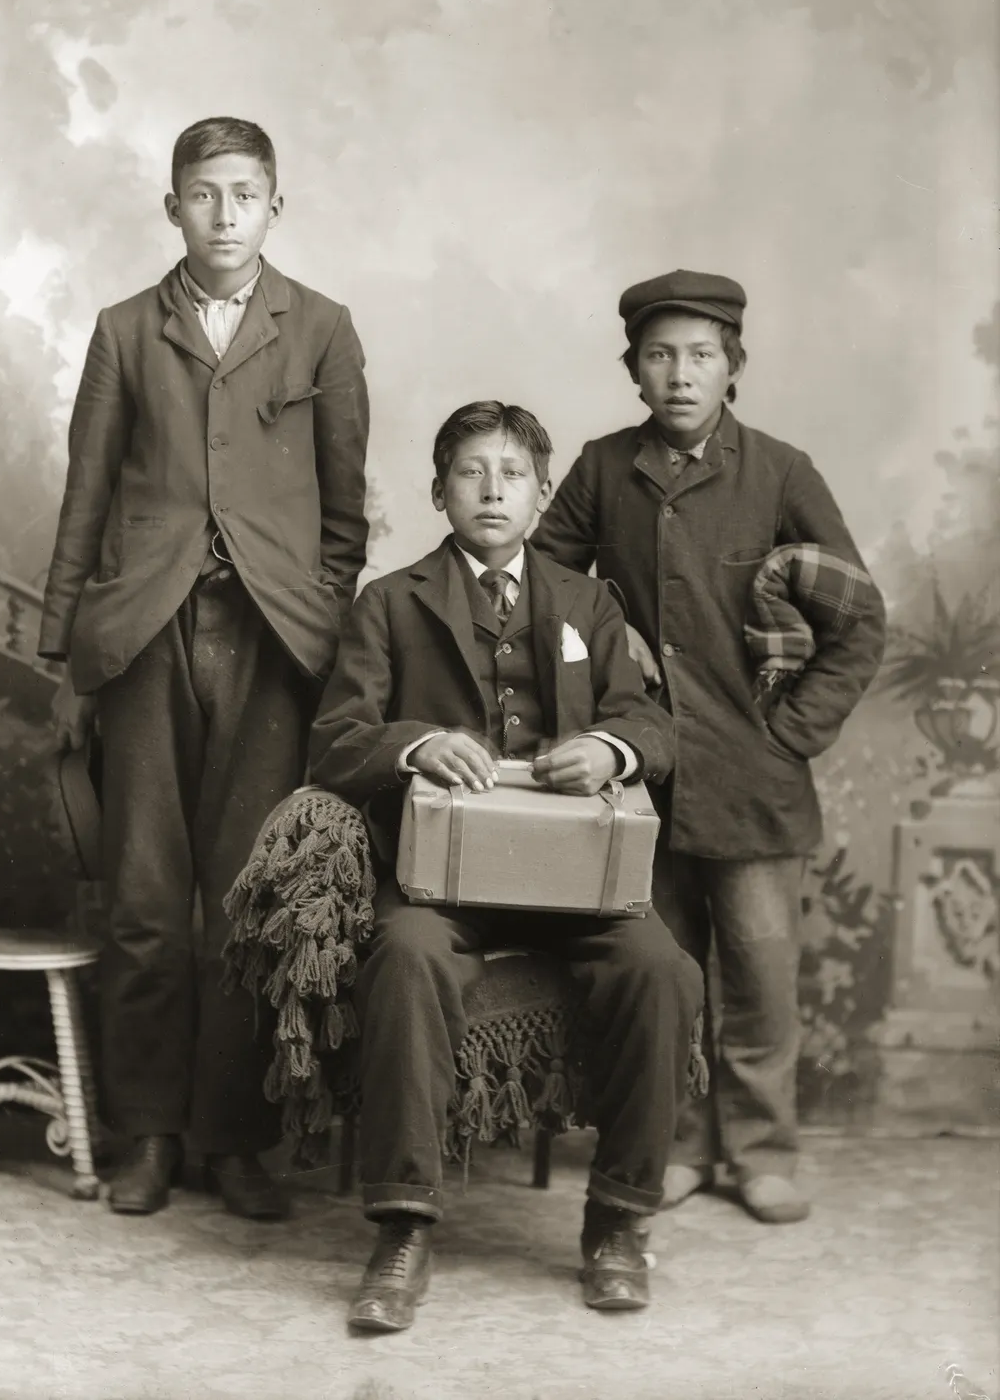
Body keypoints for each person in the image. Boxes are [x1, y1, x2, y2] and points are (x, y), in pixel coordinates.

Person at [309, 400, 703, 1334]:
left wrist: (611, 747)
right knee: (403, 956)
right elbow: (335, 739)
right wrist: (415, 745)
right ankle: (403, 1225)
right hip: (444, 879)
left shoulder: (589, 600)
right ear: (437, 492)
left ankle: (618, 1217)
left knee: (661, 968)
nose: (492, 489)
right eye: (471, 472)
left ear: (541, 494)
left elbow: (653, 723)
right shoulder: (391, 602)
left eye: (512, 473)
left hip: (573, 881)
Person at [38, 117, 369, 1218]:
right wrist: (63, 654)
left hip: (274, 646)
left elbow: (342, 507)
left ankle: (234, 1137)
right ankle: (148, 1133)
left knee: (245, 899)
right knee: (142, 898)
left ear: (278, 204)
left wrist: (317, 618)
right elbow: (85, 497)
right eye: (201, 194)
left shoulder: (320, 328)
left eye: (244, 194)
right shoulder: (127, 330)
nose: (223, 216)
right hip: (141, 637)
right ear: (170, 206)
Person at [532, 269, 886, 1224]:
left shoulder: (782, 471)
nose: (680, 374)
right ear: (633, 371)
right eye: (659, 355)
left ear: (734, 366)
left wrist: (793, 732)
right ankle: (679, 1142)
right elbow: (544, 579)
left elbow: (859, 619)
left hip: (760, 780)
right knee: (669, 975)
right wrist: (610, 623)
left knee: (763, 980)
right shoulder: (605, 468)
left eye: (699, 355)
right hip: (645, 776)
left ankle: (764, 1150)